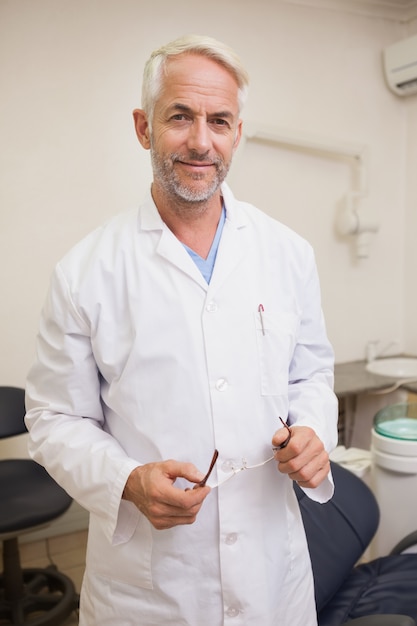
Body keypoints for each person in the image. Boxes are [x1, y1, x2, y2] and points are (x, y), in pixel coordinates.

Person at [25, 34, 338, 625]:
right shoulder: (85, 272)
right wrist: (126, 481)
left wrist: (315, 431)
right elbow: (53, 417)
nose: (201, 140)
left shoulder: (288, 254)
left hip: (274, 580)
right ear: (144, 128)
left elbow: (311, 373)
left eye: (219, 120)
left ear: (237, 134)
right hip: (151, 591)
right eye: (180, 117)